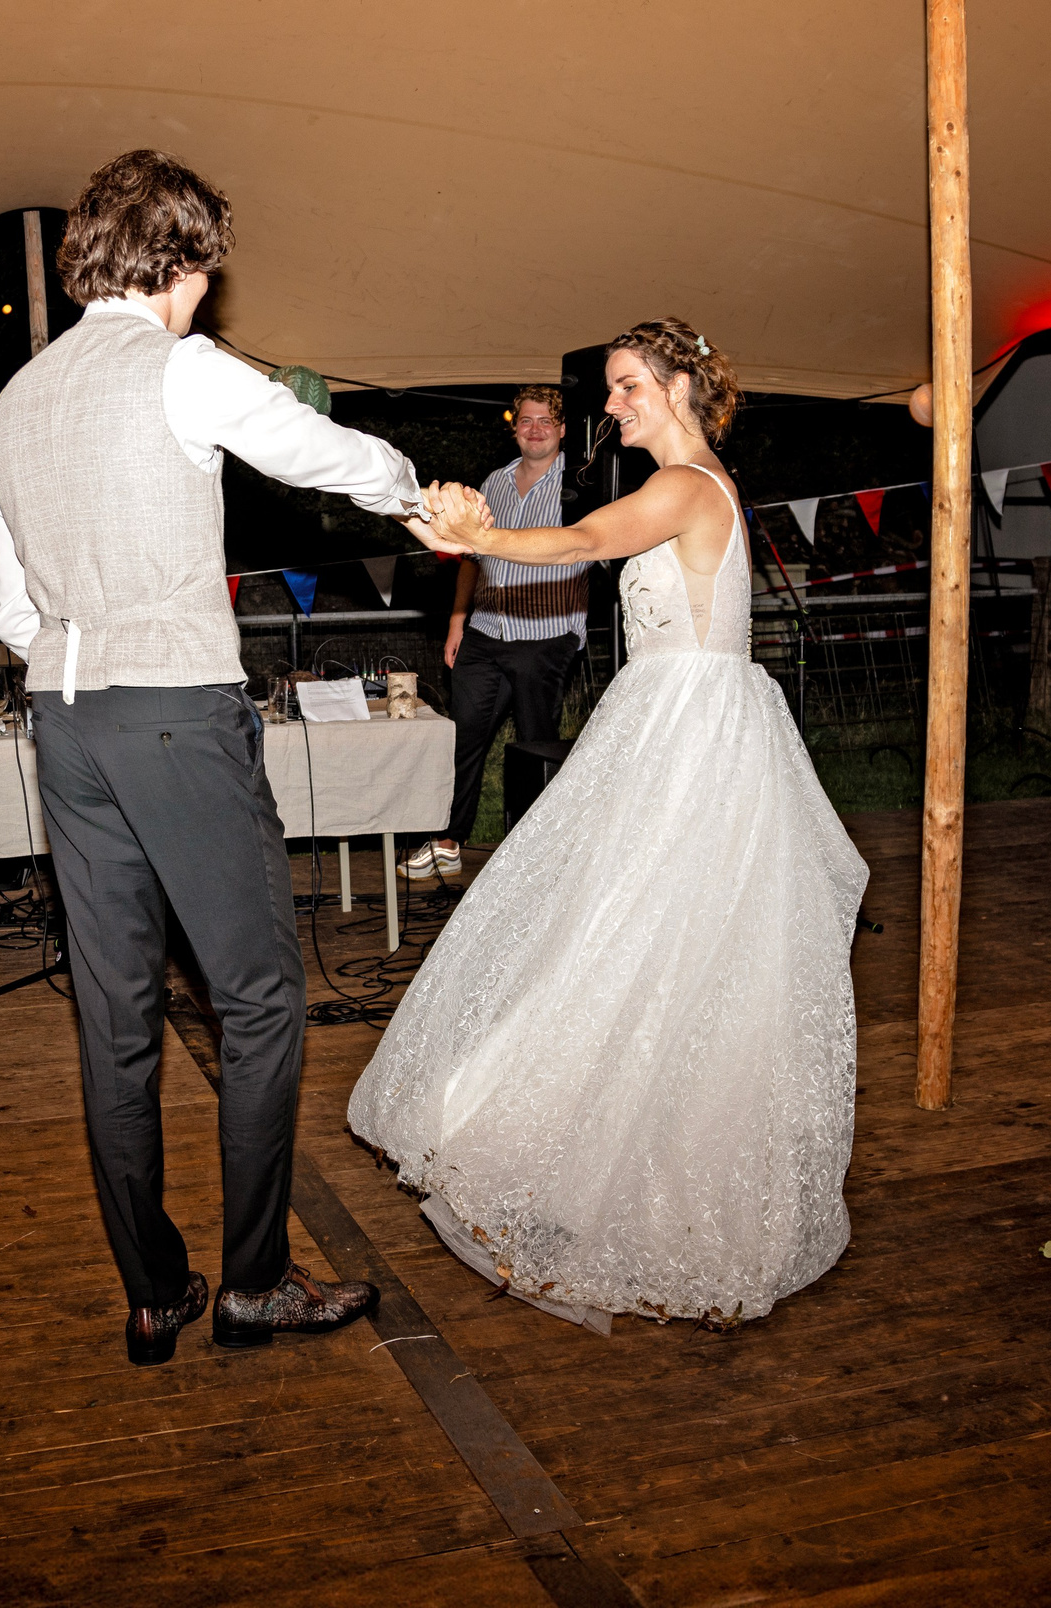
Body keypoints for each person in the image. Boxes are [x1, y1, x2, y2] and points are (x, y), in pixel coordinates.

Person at [0, 147, 486, 1367]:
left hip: (62, 716)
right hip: (169, 713)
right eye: (206, 266)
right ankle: (254, 1283)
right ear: (182, 258)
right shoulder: (179, 368)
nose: (209, 290)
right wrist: (427, 499)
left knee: (114, 1020)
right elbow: (319, 449)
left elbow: (8, 606)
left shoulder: (19, 400)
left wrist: (76, 649)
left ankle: (154, 1292)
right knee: (259, 999)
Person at [348, 319, 869, 1332]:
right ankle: (592, 1143)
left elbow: (584, 544)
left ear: (678, 386)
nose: (614, 402)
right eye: (611, 386)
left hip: (687, 736)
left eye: (627, 384)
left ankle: (609, 1162)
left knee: (633, 935)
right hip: (678, 722)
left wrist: (481, 537)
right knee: (636, 935)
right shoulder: (693, 482)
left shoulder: (683, 484)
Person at [400, 383, 593, 881]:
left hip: (547, 631)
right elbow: (471, 557)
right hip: (485, 630)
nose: (534, 430)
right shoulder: (494, 481)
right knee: (463, 736)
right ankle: (447, 839)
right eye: (526, 421)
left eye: (545, 421)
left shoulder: (581, 485)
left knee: (536, 742)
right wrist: (457, 620)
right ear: (515, 427)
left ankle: (539, 852)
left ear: (563, 429)